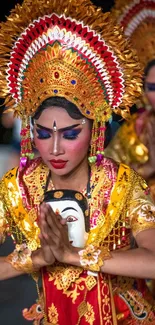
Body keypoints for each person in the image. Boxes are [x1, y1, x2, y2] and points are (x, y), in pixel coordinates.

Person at [0, 0, 155, 324]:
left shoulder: (122, 183)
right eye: (43, 133)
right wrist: (36, 258)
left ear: (96, 128)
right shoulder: (16, 188)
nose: (54, 148)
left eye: (70, 135)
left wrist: (76, 255)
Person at [106, 0, 155, 202]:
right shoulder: (132, 131)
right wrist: (150, 167)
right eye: (152, 88)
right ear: (143, 91)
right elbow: (109, 183)